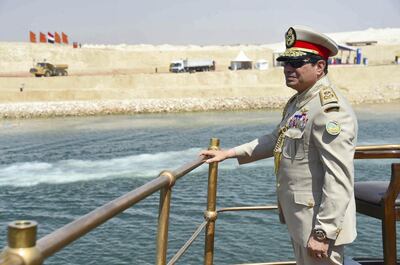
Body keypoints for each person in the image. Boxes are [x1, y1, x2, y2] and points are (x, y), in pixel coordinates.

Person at [201, 25, 358, 265]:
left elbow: (338, 177)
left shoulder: (329, 111)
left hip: (319, 223)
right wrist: (229, 153)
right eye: (285, 62)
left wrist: (323, 232)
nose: (287, 69)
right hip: (302, 217)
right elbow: (276, 139)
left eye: (296, 63)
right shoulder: (301, 102)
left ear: (319, 67)